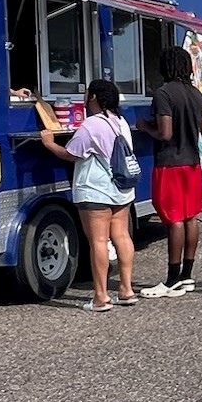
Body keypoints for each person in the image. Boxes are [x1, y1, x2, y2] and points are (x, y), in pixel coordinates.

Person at [41, 79, 136, 312]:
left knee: (98, 242)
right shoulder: (121, 122)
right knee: (122, 236)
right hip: (121, 188)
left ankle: (101, 297)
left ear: (93, 98)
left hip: (95, 191)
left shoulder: (91, 124)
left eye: (86, 95)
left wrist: (49, 143)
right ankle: (126, 290)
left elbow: (72, 153)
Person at [136, 47, 202, 298]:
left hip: (170, 163)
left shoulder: (163, 93)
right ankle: (187, 276)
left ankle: (171, 279)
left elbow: (165, 134)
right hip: (192, 164)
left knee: (174, 219)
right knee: (191, 217)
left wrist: (146, 127)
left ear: (166, 66)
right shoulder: (197, 94)